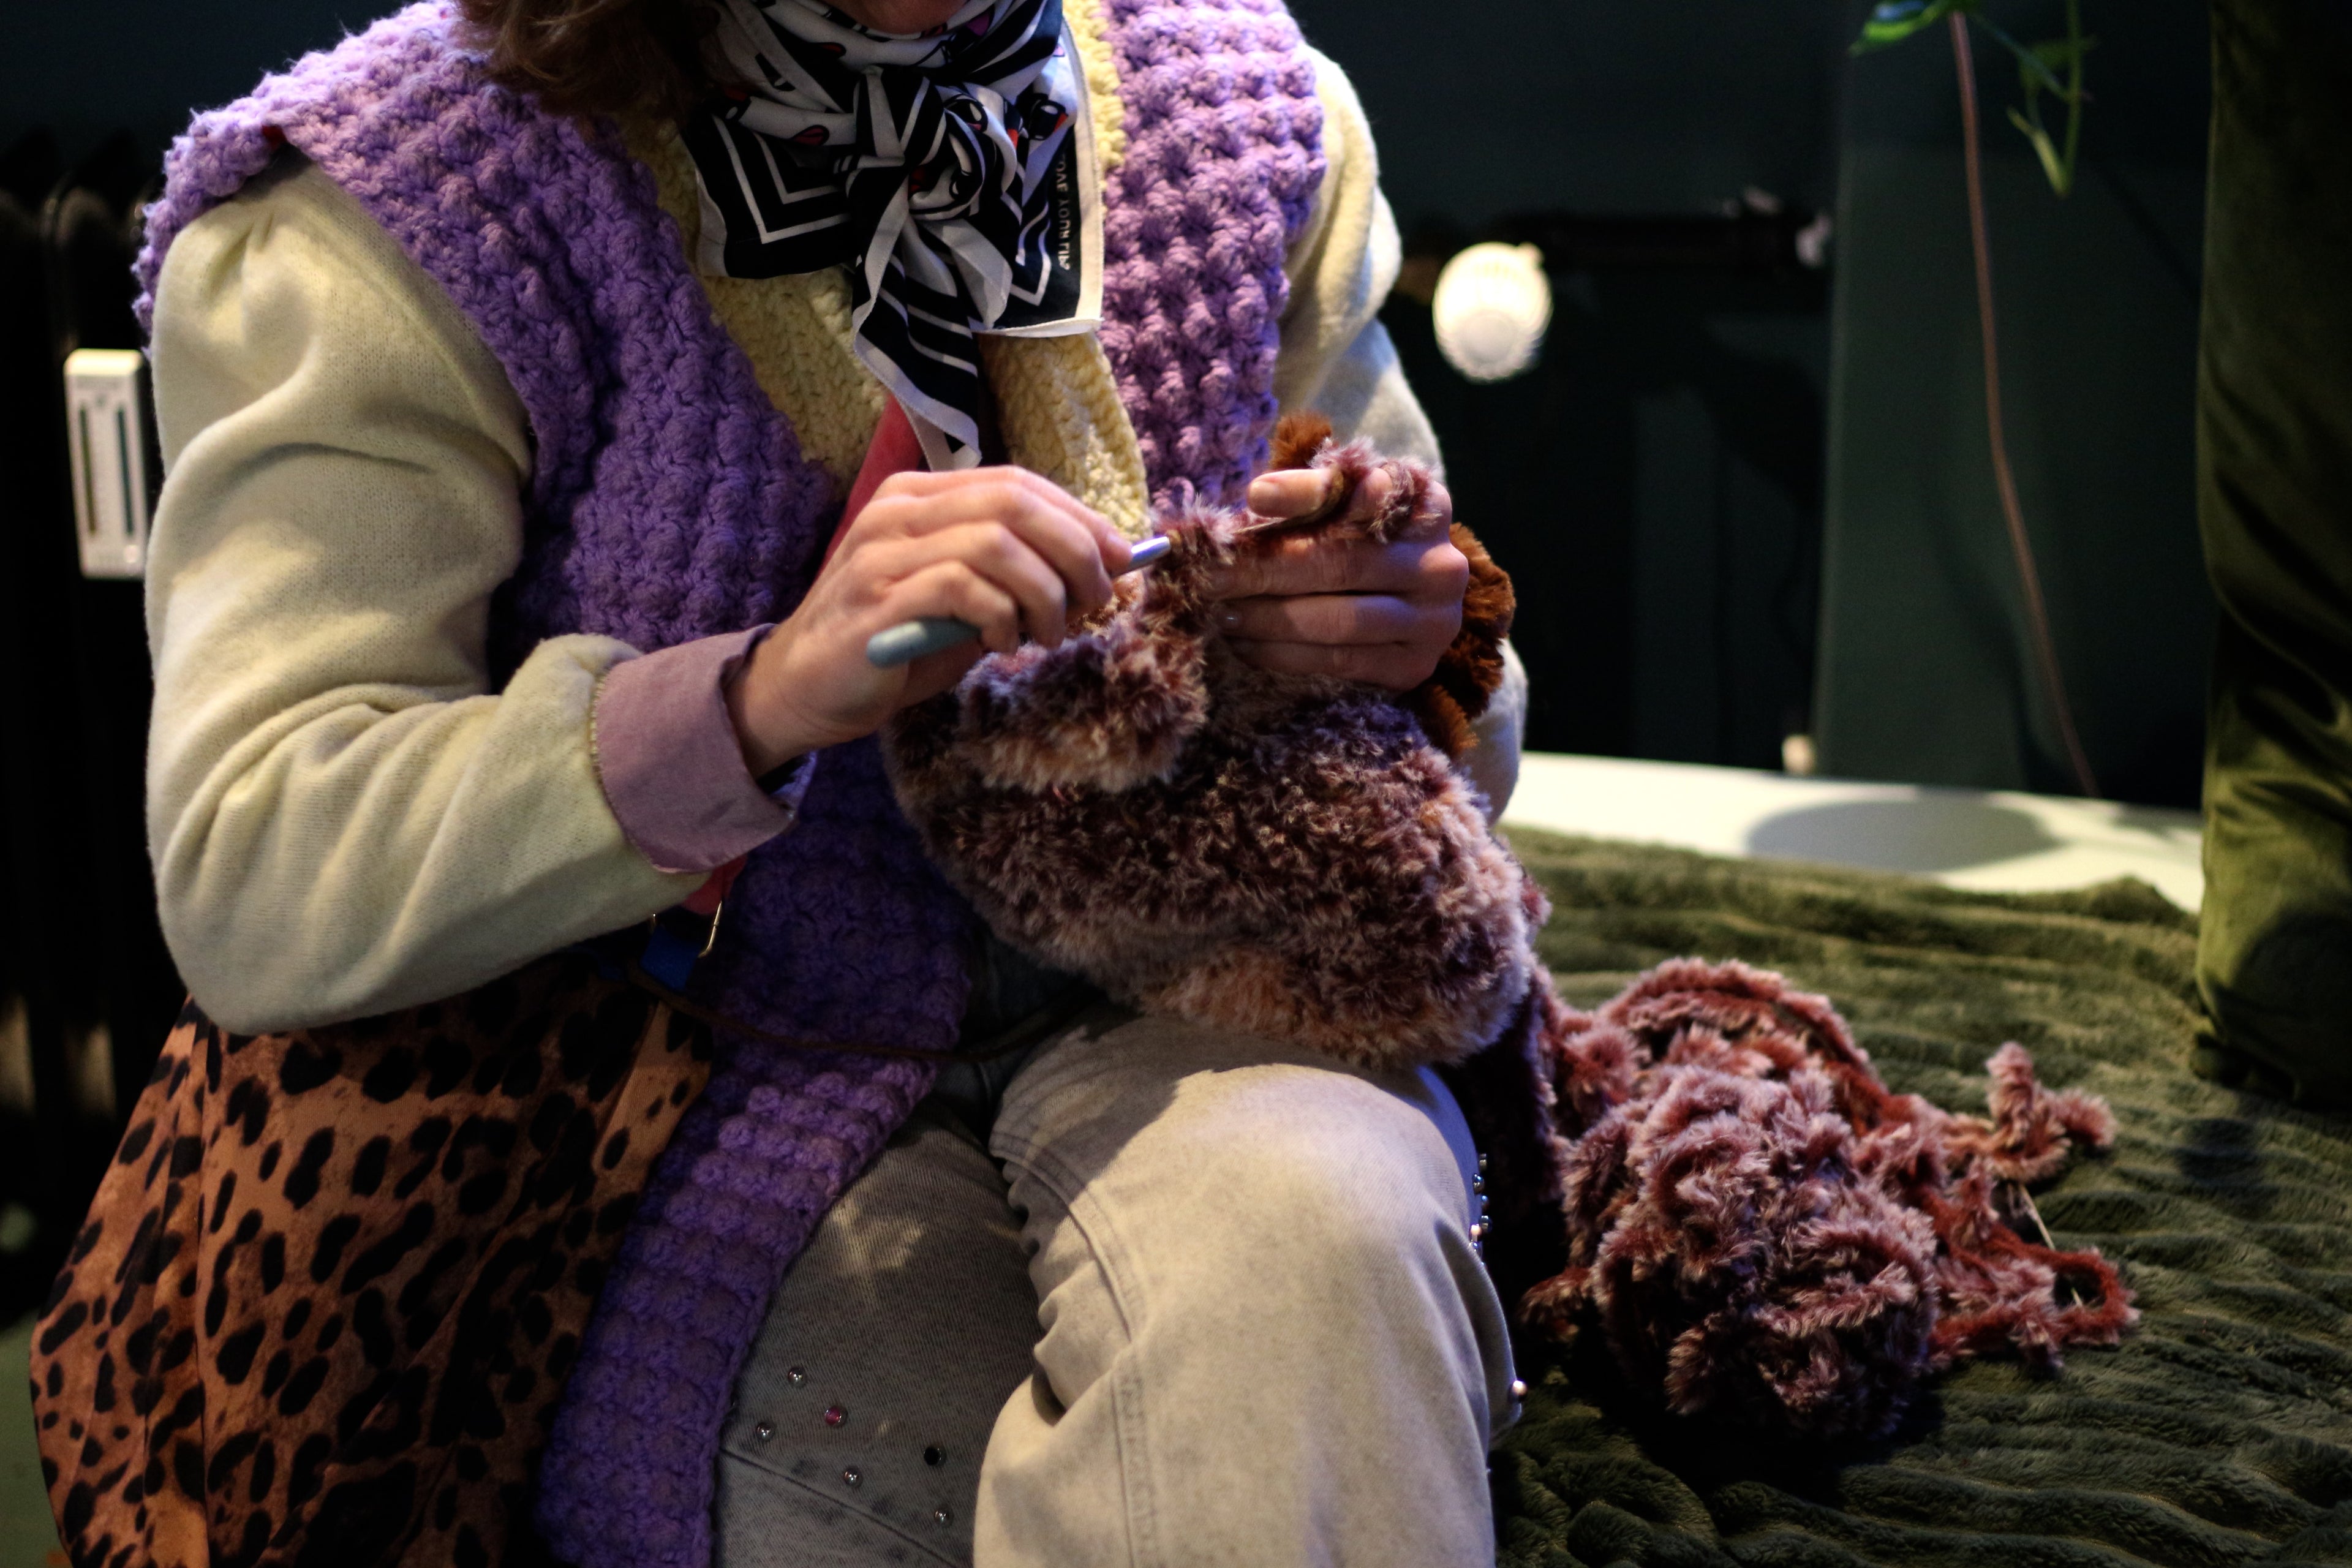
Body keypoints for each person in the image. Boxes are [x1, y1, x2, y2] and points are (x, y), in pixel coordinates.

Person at [32, 0, 1533, 1562]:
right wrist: (748, 703)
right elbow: (254, 866)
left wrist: (1412, 649)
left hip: (1202, 996)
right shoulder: (396, 197)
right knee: (955, 1480)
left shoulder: (1245, 113)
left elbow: (1470, 766)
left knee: (1324, 1258)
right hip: (677, 1070)